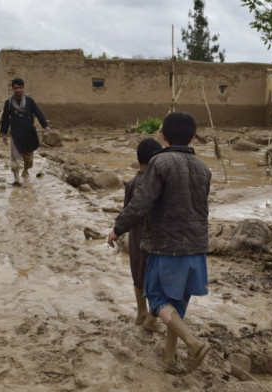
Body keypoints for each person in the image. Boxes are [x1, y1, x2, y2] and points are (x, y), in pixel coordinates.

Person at [107, 112, 211, 374]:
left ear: (163, 136)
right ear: (193, 137)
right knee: (176, 305)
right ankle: (169, 358)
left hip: (166, 246)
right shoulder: (203, 168)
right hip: (197, 247)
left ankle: (193, 343)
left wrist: (117, 229)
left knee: (157, 301)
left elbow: (141, 203)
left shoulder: (160, 163)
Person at [125, 137, 163, 333]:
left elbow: (127, 212)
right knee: (154, 280)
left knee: (138, 277)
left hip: (135, 237)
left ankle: (141, 312)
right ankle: (151, 318)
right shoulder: (157, 184)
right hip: (155, 240)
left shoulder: (132, 183)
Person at [0, 78, 52, 185]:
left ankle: (26, 170)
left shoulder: (29, 101)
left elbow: (38, 113)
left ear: (23, 88)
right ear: (12, 89)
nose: (18, 90)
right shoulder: (8, 103)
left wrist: (45, 125)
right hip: (15, 134)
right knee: (15, 156)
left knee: (28, 157)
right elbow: (5, 118)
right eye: (16, 88)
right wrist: (4, 134)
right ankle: (17, 179)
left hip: (29, 134)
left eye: (20, 88)